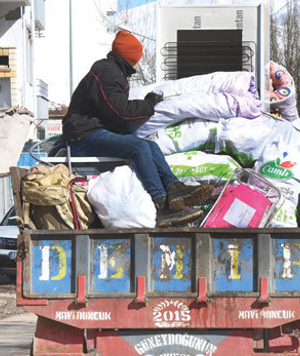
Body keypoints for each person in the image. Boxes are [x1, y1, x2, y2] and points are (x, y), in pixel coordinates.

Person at [50, 29, 213, 227]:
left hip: (91, 130)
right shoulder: (108, 72)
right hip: (82, 137)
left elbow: (112, 111)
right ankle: (162, 206)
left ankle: (174, 188)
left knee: (150, 146)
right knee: (140, 148)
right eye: (137, 59)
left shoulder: (112, 71)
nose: (138, 63)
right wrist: (148, 104)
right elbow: (120, 112)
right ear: (130, 59)